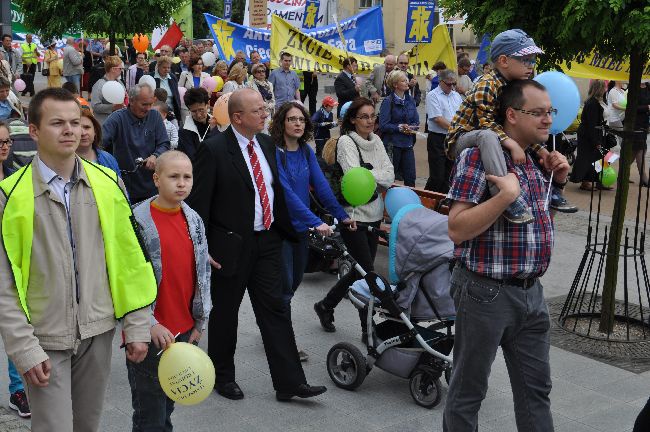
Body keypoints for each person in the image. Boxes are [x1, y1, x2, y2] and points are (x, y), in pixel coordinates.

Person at [0, 87, 155, 432]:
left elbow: (131, 259)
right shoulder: (9, 195)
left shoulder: (108, 182)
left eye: (76, 122)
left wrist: (138, 324)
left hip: (98, 330)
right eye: (57, 123)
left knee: (87, 426)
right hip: (44, 336)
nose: (71, 130)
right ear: (35, 130)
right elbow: (4, 284)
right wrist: (23, 348)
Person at [185, 88, 327, 402]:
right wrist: (203, 248)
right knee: (226, 314)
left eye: (264, 109)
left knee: (275, 310)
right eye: (258, 110)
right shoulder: (214, 149)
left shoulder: (266, 144)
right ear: (237, 117)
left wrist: (295, 227)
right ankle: (223, 377)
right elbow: (197, 205)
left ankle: (290, 381)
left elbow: (276, 191)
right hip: (230, 246)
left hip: (268, 241)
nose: (265, 115)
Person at [443, 79, 569, 432]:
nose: (548, 120)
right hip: (485, 293)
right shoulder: (478, 156)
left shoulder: (532, 159)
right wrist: (502, 198)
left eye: (551, 113)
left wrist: (556, 184)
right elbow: (457, 228)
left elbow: (535, 224)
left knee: (536, 391)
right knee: (469, 392)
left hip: (532, 295)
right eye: (539, 113)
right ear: (511, 115)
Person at [446, 28, 576, 224]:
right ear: (504, 61)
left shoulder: (512, 87)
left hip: (490, 137)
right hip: (463, 138)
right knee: (488, 137)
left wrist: (541, 152)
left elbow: (512, 128)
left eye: (533, 60)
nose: (531, 66)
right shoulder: (487, 84)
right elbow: (486, 124)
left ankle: (553, 193)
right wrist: (512, 144)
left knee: (524, 139)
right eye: (526, 60)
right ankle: (506, 198)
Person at [130, 150, 211, 431]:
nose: (181, 183)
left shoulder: (194, 219)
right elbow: (126, 278)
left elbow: (202, 272)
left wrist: (200, 321)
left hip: (184, 330)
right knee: (149, 413)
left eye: (187, 177)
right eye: (173, 176)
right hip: (149, 333)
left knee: (168, 404)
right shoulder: (137, 221)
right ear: (156, 179)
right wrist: (148, 323)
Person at [271, 102, 354, 362]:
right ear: (281, 123)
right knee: (285, 287)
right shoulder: (277, 153)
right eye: (292, 119)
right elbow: (285, 195)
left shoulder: (306, 152)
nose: (298, 124)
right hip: (282, 229)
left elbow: (321, 187)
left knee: (293, 283)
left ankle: (271, 325)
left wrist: (342, 215)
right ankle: (284, 342)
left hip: (302, 230)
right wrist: (314, 221)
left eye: (301, 120)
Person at [314, 98, 394, 341]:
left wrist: (369, 173)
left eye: (372, 116)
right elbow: (353, 177)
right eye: (364, 116)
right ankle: (367, 330)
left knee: (360, 271)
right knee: (368, 272)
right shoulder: (346, 142)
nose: (370, 121)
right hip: (352, 216)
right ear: (352, 120)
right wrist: (373, 175)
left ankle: (326, 305)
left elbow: (389, 176)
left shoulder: (377, 140)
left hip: (374, 212)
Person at [0, 120, 31, 419]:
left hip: (14, 262)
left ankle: (18, 389)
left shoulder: (17, 175)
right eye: (0, 143)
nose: (6, 147)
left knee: (16, 328)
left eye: (7, 141)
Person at [102, 83, 170, 203]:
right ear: (132, 101)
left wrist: (155, 156)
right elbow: (98, 143)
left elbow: (164, 143)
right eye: (144, 104)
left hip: (151, 186)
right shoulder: (117, 118)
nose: (148, 108)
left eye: (151, 104)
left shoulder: (155, 116)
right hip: (124, 186)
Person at [379, 70, 419, 187]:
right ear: (395, 85)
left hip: (408, 144)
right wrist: (399, 127)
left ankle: (411, 202)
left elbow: (416, 121)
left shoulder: (410, 100)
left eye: (406, 79)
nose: (407, 82)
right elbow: (383, 125)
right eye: (403, 80)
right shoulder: (388, 101)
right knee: (390, 178)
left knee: (410, 177)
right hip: (393, 145)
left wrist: (412, 127)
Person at [425, 69, 463, 193]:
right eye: (448, 84)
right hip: (437, 139)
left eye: (454, 84)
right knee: (437, 177)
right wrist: (457, 128)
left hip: (452, 138)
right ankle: (426, 199)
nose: (451, 87)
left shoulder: (456, 96)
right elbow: (438, 119)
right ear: (441, 81)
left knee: (449, 176)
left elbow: (462, 115)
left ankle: (442, 203)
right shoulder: (432, 95)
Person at [571, 80, 610, 190]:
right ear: (600, 89)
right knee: (587, 158)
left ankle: (598, 180)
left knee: (600, 157)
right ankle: (586, 181)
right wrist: (596, 141)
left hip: (597, 133)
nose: (605, 90)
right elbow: (592, 124)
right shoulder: (593, 103)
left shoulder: (599, 101)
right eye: (604, 88)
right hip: (588, 135)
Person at [75, 108, 120, 175]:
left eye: (87, 127)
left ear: (95, 131)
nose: (83, 133)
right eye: (78, 128)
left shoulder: (108, 159)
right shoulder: (62, 162)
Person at [178, 88, 215, 161]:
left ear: (208, 104)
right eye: (194, 111)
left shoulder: (218, 123)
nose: (198, 115)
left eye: (201, 110)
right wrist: (213, 133)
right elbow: (193, 158)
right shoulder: (185, 130)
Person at [90, 55, 126, 125]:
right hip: (104, 123)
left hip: (118, 122)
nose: (121, 71)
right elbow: (95, 106)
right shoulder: (99, 84)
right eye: (120, 68)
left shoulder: (120, 82)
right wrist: (112, 107)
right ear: (113, 69)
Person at [151, 56, 182, 126]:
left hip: (172, 112)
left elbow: (176, 96)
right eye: (164, 67)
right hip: (158, 112)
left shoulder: (172, 77)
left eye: (168, 68)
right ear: (158, 67)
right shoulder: (152, 77)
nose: (167, 70)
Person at [247, 63, 275, 134]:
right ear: (254, 73)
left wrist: (271, 105)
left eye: (263, 71)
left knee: (269, 134)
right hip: (258, 113)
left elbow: (273, 98)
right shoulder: (250, 84)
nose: (261, 73)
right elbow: (252, 101)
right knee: (260, 134)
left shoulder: (269, 84)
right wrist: (265, 105)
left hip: (269, 113)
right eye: (259, 71)